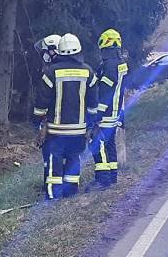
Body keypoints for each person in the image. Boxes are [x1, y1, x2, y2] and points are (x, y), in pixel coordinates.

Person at [32, 34, 98, 200]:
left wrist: (37, 119)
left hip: (56, 130)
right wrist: (90, 124)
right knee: (74, 159)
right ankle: (70, 192)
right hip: (78, 130)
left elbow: (42, 101)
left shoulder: (51, 72)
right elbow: (93, 103)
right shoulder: (88, 72)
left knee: (55, 160)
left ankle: (54, 195)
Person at [92, 29, 128, 188]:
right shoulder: (121, 63)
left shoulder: (109, 65)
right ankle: (113, 176)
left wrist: (97, 113)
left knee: (97, 143)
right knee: (109, 144)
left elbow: (106, 90)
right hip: (116, 111)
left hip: (106, 112)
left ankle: (103, 179)